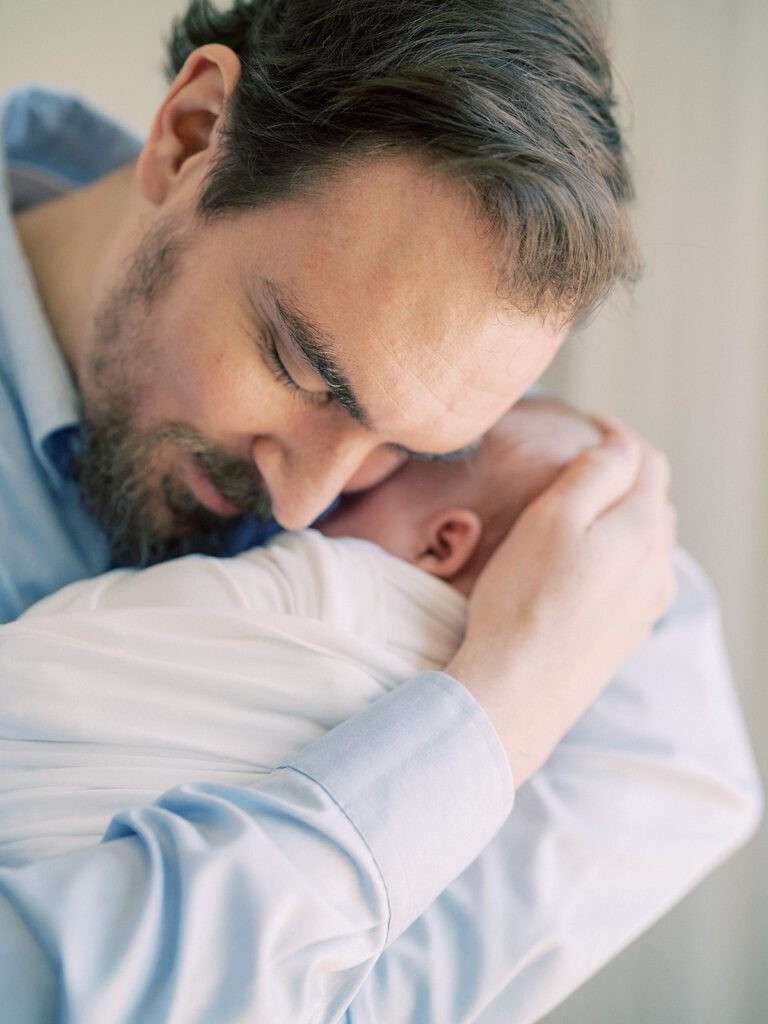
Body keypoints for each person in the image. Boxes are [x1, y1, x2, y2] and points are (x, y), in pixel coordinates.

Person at [0, 1, 759, 1020]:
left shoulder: (389, 378)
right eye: (302, 367)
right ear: (190, 137)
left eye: (416, 445)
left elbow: (674, 730)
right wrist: (496, 713)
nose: (308, 500)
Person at [0, 399, 760, 1022]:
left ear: (443, 546)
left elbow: (86, 639)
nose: (305, 508)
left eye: (359, 493)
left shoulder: (338, 584)